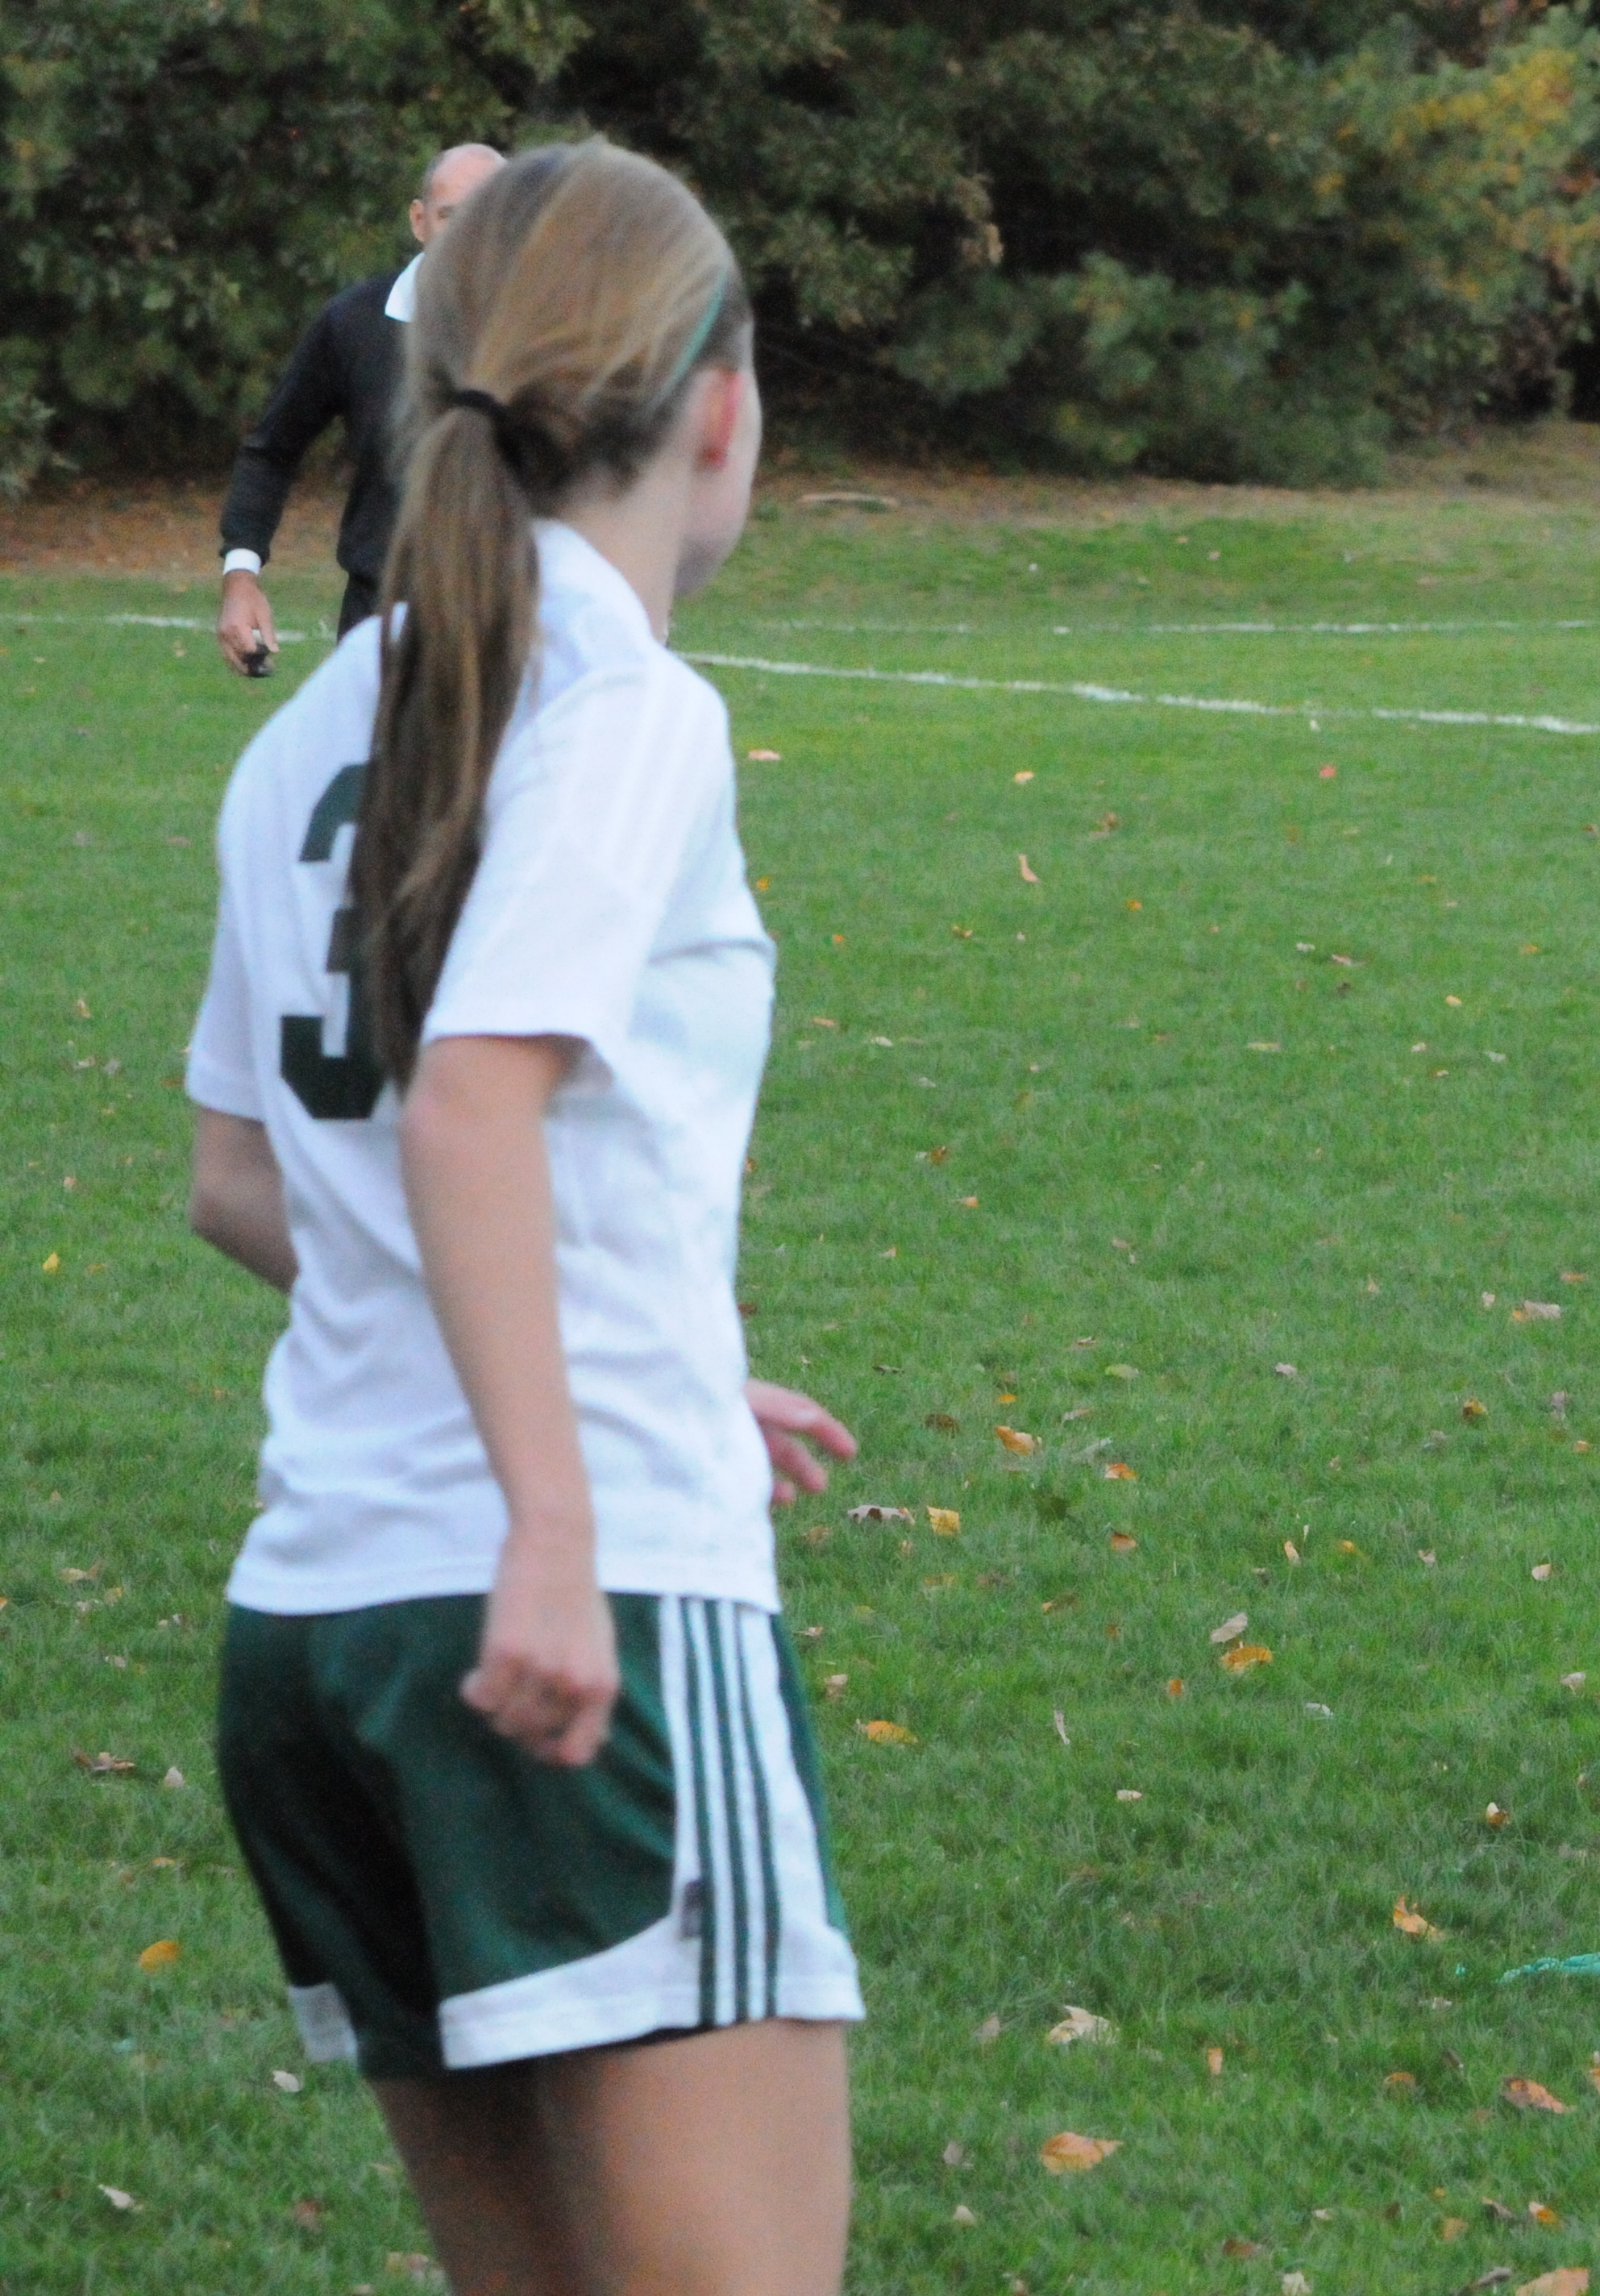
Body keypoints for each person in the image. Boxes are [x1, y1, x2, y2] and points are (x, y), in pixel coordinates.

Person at [183, 141, 864, 2293]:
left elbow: (238, 1179)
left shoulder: (305, 730)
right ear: (722, 408)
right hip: (587, 1624)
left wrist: (591, 1347)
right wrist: (556, 1509)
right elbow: (474, 1101)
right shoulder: (622, 699)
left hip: (315, 1637)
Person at [214, 143, 504, 676]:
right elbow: (272, 451)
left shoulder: (554, 336)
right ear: (419, 221)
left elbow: (610, 472)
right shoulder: (354, 323)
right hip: (379, 628)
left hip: (516, 627)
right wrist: (241, 576)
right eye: (451, 216)